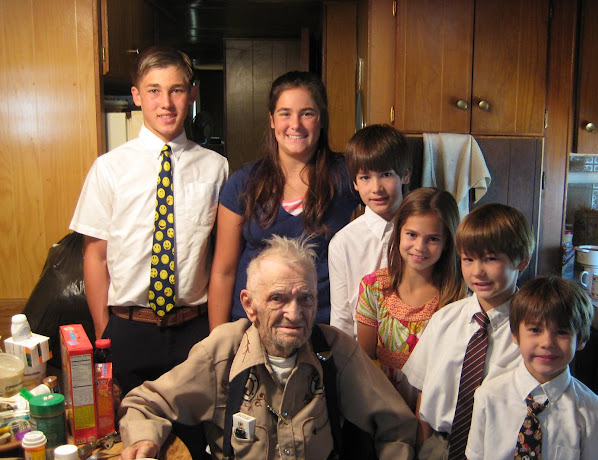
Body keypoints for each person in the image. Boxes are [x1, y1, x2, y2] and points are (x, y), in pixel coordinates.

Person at [117, 235, 417, 460]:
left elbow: (396, 425)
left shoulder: (336, 351)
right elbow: (146, 402)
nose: (295, 313)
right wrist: (144, 440)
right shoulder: (223, 351)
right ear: (250, 305)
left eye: (306, 299)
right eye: (278, 298)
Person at [69, 45, 229, 397]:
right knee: (132, 439)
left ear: (192, 95)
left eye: (177, 90)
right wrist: (102, 332)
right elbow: (95, 256)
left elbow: (222, 256)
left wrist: (217, 336)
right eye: (154, 91)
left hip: (194, 328)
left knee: (196, 442)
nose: (166, 103)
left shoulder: (216, 168)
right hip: (129, 329)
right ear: (137, 96)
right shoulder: (109, 168)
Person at [402, 203, 535, 460]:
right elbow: (423, 394)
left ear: (521, 261)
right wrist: (422, 452)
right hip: (440, 452)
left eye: (491, 259)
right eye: (468, 259)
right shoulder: (445, 319)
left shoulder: (532, 333)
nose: (478, 271)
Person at [458, 275, 598, 460]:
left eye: (561, 332)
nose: (547, 342)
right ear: (515, 335)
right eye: (535, 330)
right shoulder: (489, 396)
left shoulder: (592, 411)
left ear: (581, 339)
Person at [208, 71, 359, 330]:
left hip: (323, 328)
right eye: (285, 113)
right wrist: (219, 346)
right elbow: (223, 272)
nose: (295, 125)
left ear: (321, 120)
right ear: (271, 120)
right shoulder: (243, 183)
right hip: (252, 329)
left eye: (307, 113)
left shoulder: (349, 175)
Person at [355, 188, 465, 410]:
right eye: (412, 234)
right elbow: (364, 361)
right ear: (398, 233)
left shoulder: (456, 297)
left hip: (435, 412)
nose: (420, 247)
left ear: (447, 243)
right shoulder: (374, 288)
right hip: (383, 409)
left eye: (433, 239)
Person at [329, 124, 411, 338]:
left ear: (405, 175)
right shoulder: (343, 243)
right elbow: (341, 319)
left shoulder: (425, 233)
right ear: (354, 182)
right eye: (365, 177)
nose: (376, 188)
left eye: (386, 174)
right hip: (363, 355)